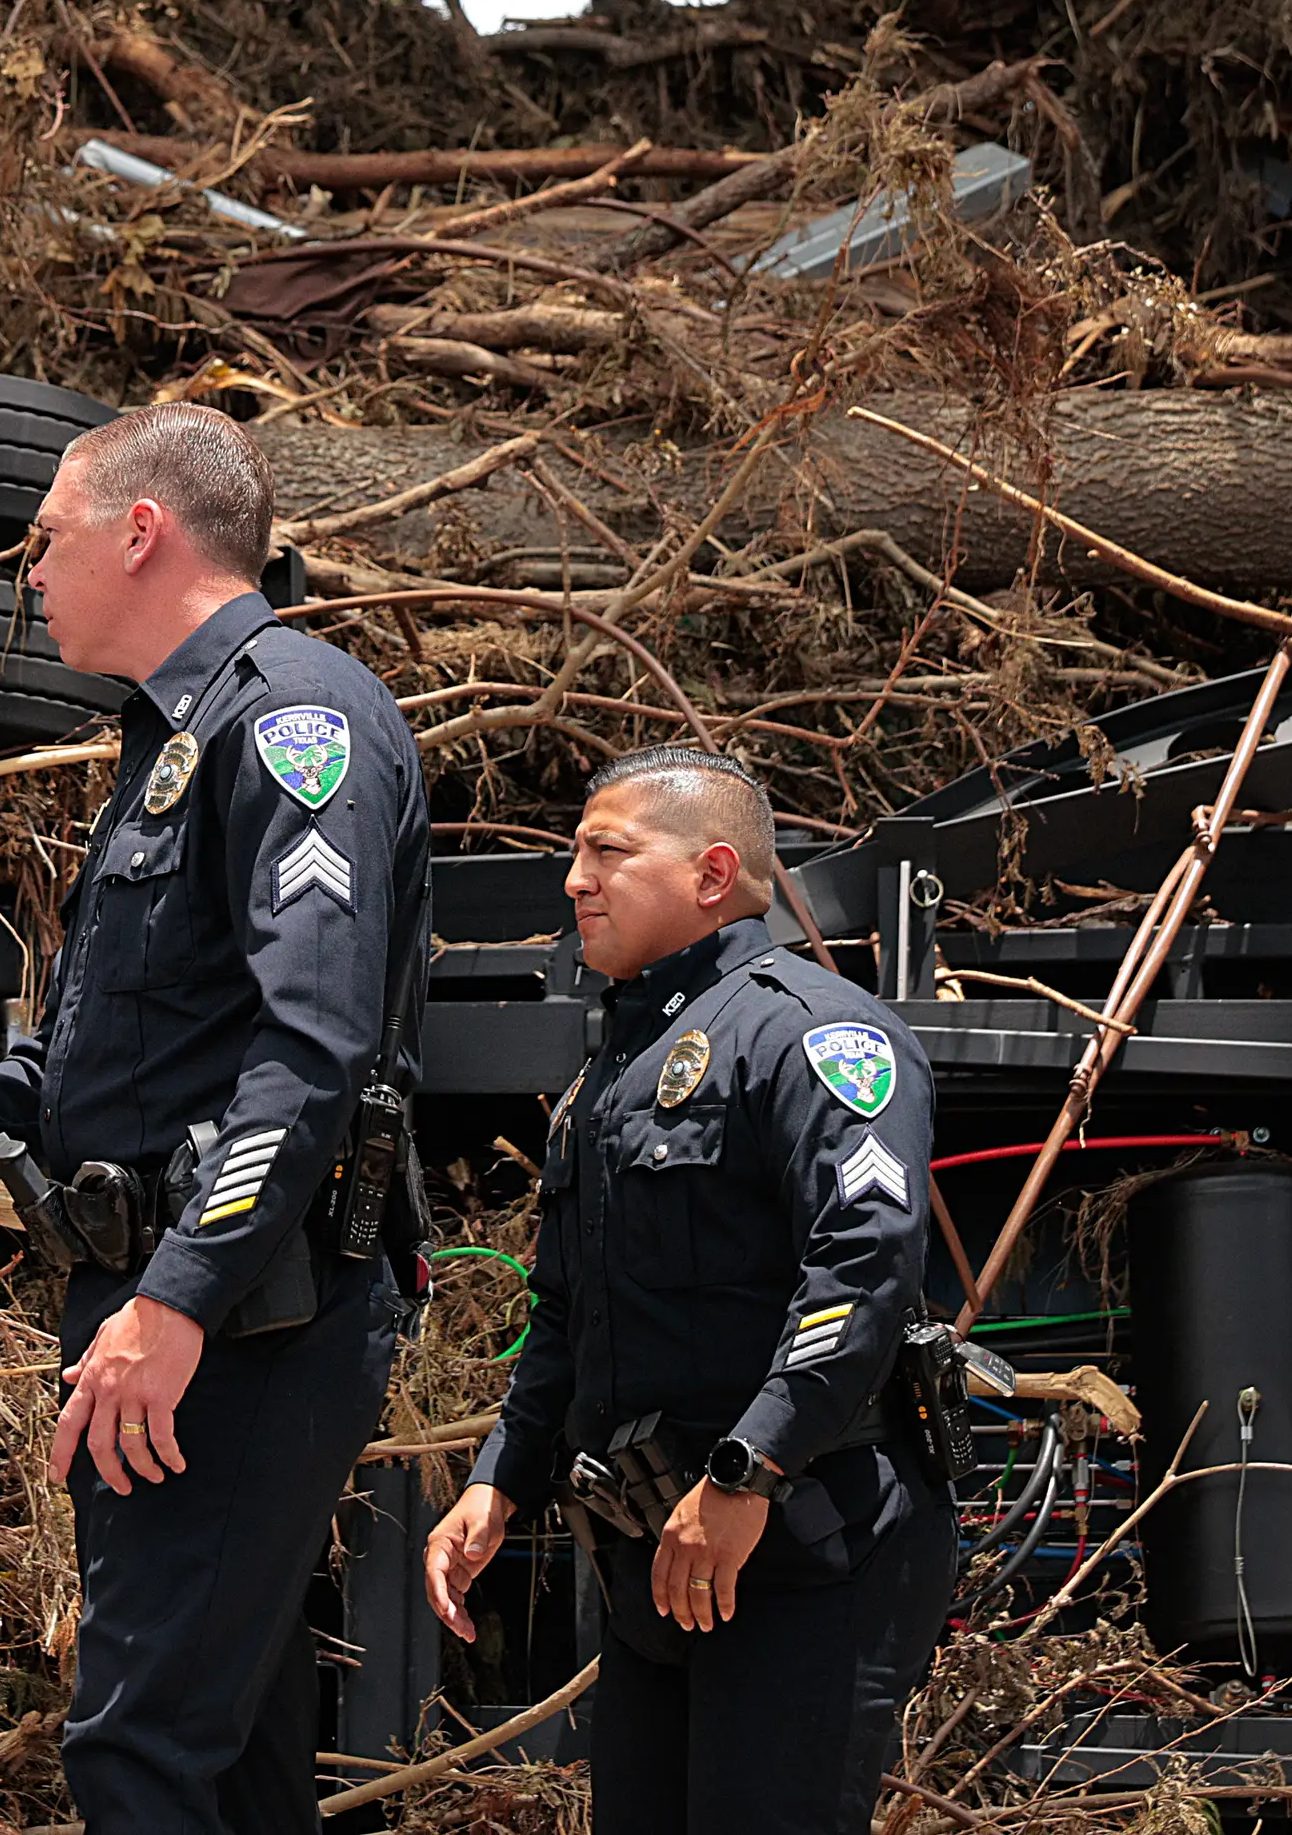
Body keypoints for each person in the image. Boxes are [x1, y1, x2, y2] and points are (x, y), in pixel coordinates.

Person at [0, 404, 428, 1835]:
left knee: (143, 1750)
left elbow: (314, 1046)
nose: (27, 571)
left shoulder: (292, 719)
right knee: (222, 1756)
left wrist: (177, 1300)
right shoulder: (169, 743)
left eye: (44, 539)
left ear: (141, 531)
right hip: (188, 1311)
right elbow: (81, 1086)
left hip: (242, 1324)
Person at [420, 747, 948, 1835]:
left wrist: (751, 1466)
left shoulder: (814, 1032)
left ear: (713, 875)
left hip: (801, 1544)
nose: (575, 878)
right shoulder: (611, 1073)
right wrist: (499, 1482)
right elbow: (569, 1312)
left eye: (607, 851)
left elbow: (867, 1259)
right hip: (655, 1564)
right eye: (574, 852)